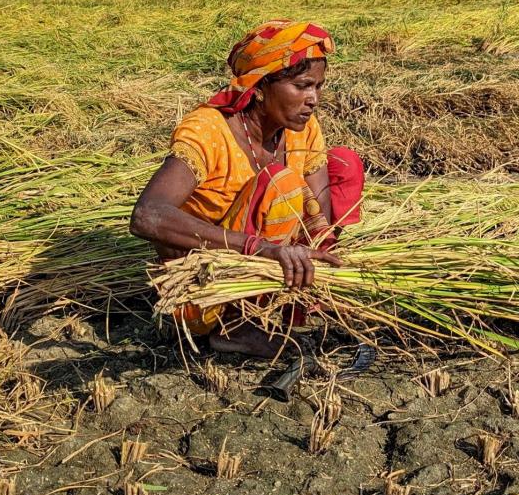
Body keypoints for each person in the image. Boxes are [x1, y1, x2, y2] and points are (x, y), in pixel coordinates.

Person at [130, 20, 364, 357]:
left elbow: (318, 224)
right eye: (301, 86)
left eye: (318, 86)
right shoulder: (209, 132)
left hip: (273, 269)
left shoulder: (302, 129)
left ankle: (298, 301)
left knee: (345, 164)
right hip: (208, 289)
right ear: (258, 87)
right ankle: (238, 327)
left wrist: (323, 267)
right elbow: (146, 216)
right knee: (280, 182)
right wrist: (259, 248)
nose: (313, 99)